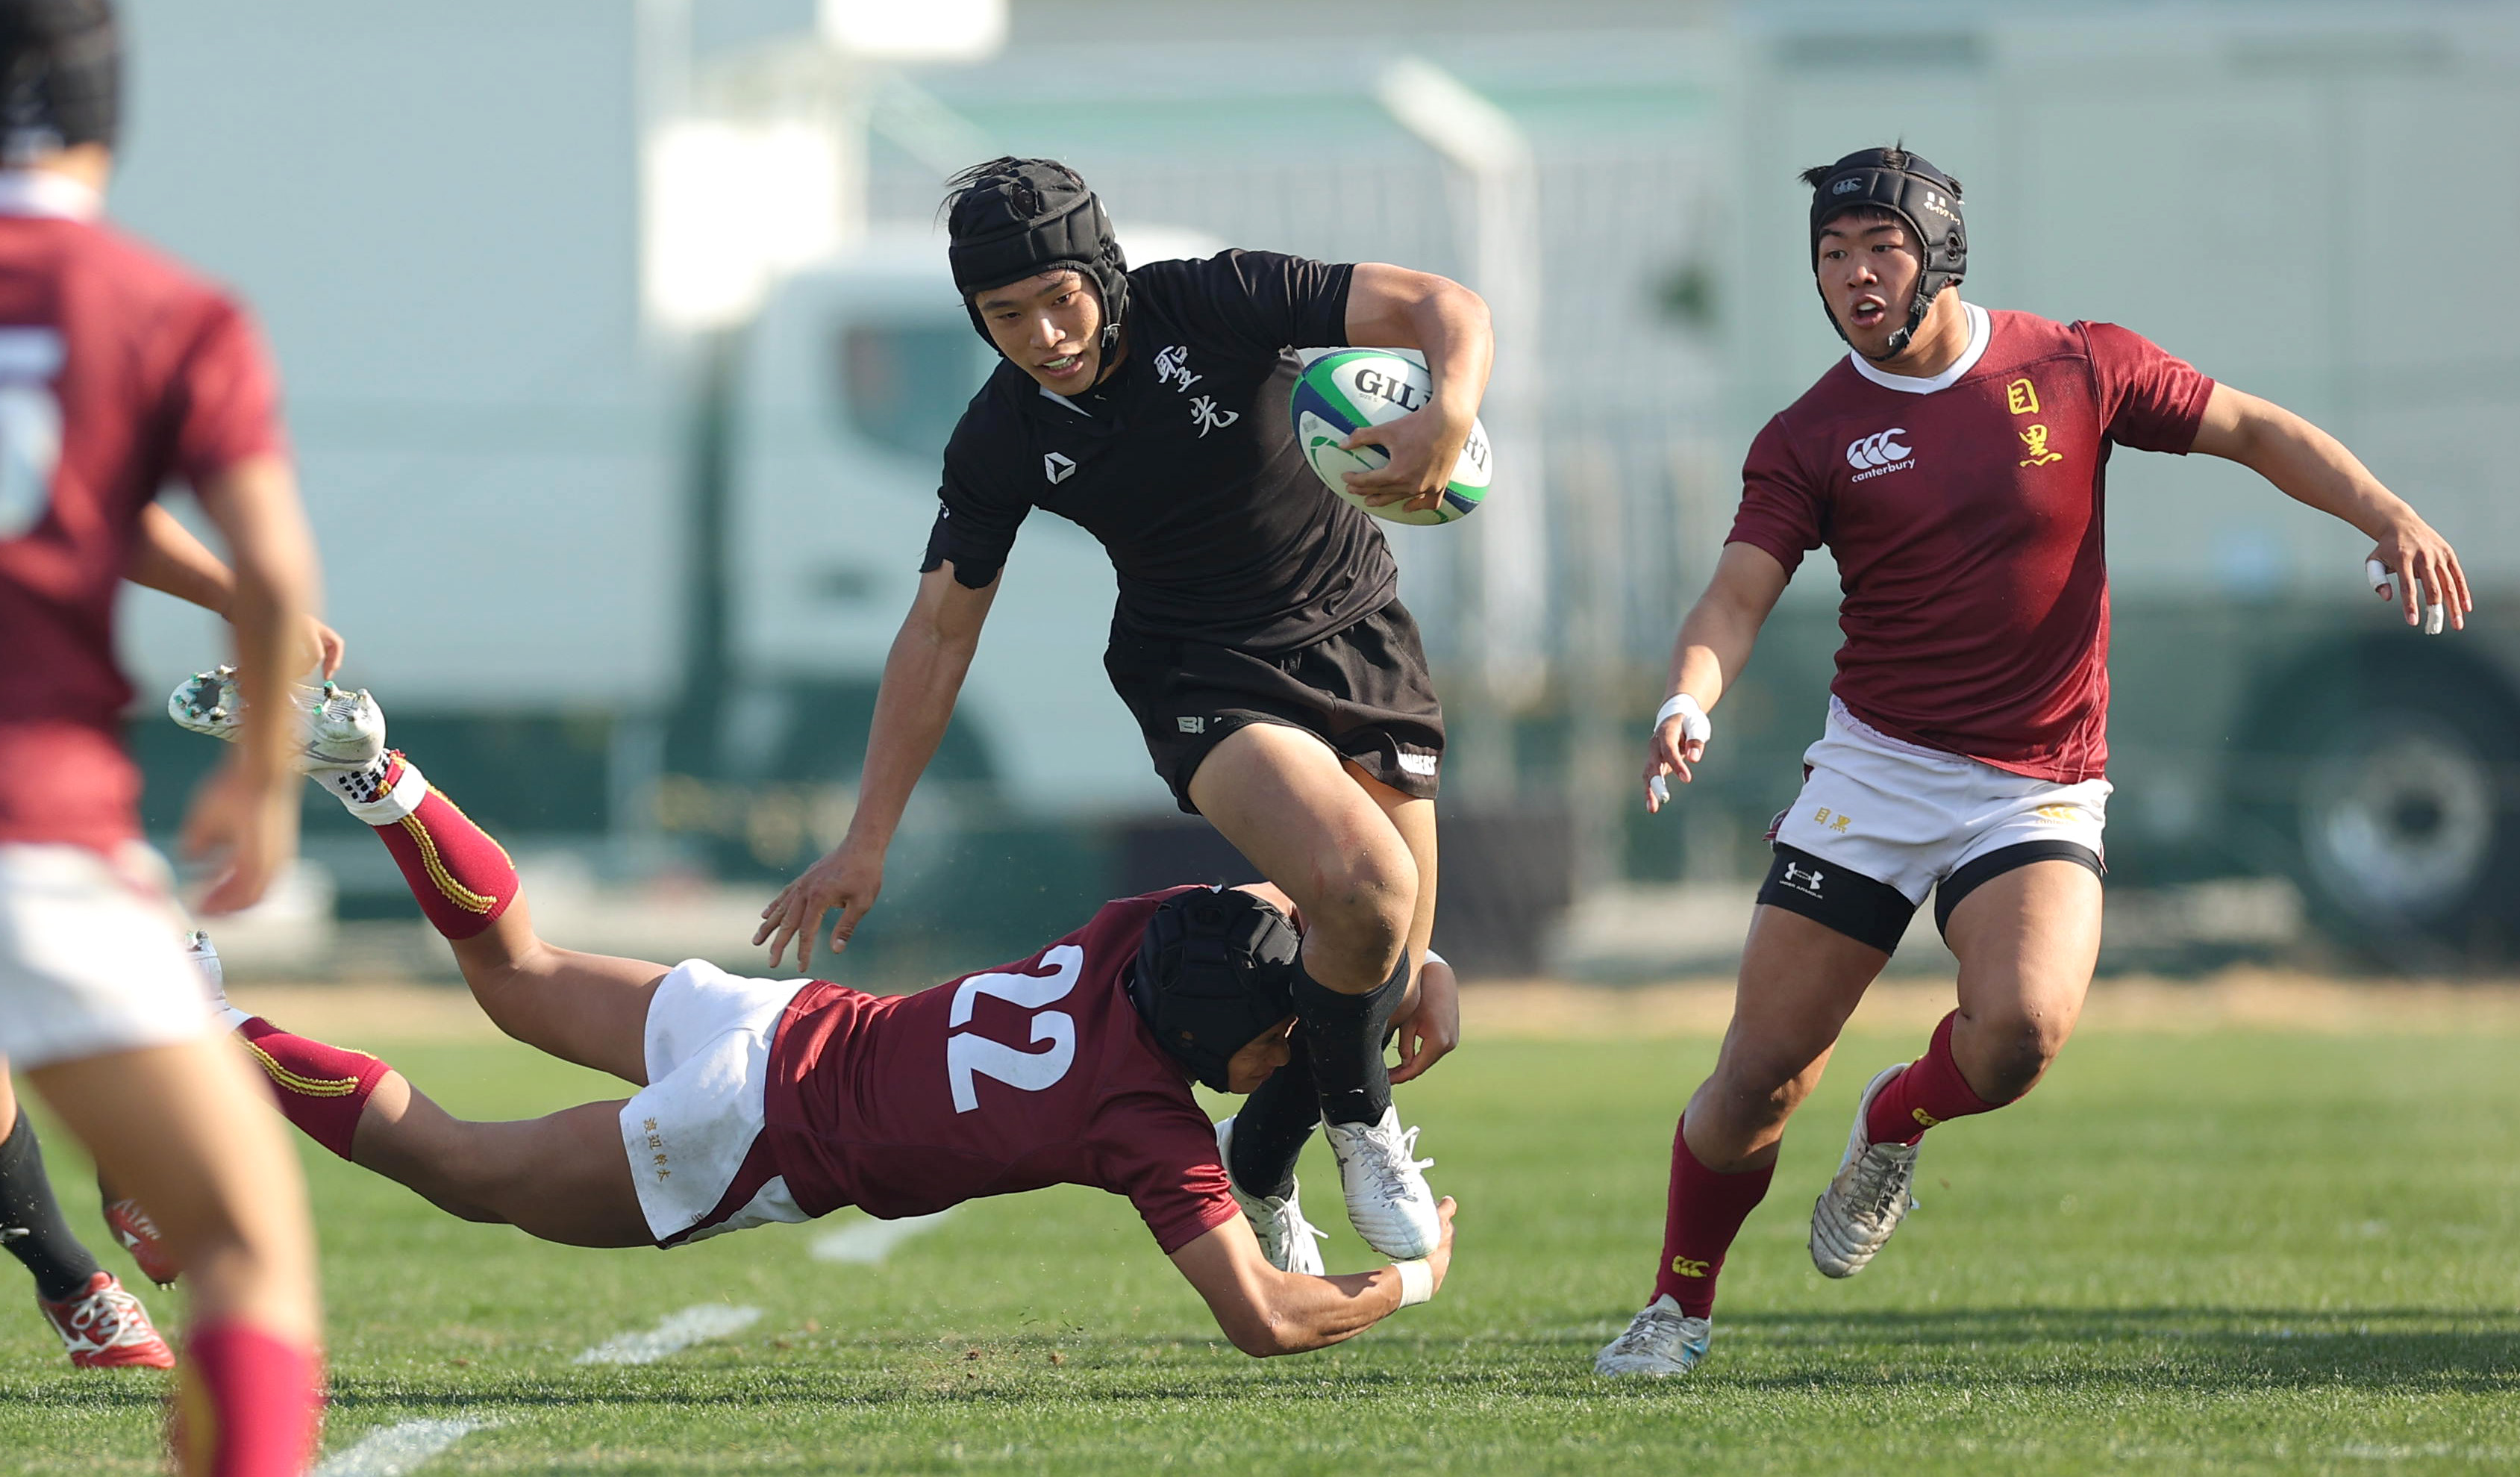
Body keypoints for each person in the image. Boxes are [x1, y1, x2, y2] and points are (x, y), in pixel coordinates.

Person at [1595, 146, 2472, 1378]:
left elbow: (2251, 427)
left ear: (1940, 253)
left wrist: (2386, 512)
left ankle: (1893, 1122)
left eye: (1877, 249)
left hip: (2037, 780)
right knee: (1756, 1079)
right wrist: (1689, 695)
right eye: (1831, 255)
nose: (1851, 276)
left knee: (2015, 1035)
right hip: (1874, 777)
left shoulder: (2073, 364)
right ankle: (1675, 1308)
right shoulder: (1811, 433)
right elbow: (1736, 594)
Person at [169, 683, 1459, 1355]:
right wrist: (1413, 1274)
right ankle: (198, 1018)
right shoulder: (1138, 1118)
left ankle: (381, 777)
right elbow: (1264, 1320)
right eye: (1277, 1039)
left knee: (515, 970)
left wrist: (1414, 951)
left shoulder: (1143, 925)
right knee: (459, 1168)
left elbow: (1282, 892)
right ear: (1205, 1043)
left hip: (777, 1022)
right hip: (748, 1130)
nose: (1287, 1052)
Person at [754, 158, 1492, 1264]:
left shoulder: (1209, 300)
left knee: (1384, 976)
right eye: (1006, 316)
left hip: (1364, 640)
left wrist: (1450, 411)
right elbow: (939, 633)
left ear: (1102, 274)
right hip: (1201, 675)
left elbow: (1446, 307)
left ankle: (1256, 1160)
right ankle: (1363, 1126)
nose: (1044, 334)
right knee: (1368, 890)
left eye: (1063, 299)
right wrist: (867, 838)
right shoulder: (999, 438)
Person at [0, 0, 334, 1466]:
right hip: (31, 824)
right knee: (247, 1249)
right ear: (104, 111)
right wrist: (260, 778)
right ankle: (105, 1226)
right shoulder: (160, 305)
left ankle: (77, 1259)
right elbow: (273, 570)